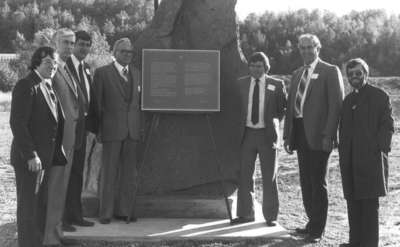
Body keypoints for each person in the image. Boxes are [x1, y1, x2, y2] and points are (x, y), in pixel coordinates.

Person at [283, 34, 344, 243]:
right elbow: (292, 107)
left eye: (310, 47)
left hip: (320, 136)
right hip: (299, 134)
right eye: (303, 47)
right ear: (299, 50)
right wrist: (287, 136)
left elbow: (336, 106)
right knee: (305, 181)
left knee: (318, 182)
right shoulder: (297, 73)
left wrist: (329, 135)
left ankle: (318, 230)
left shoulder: (329, 71)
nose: (306, 51)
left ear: (318, 48)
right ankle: (311, 223)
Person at [10, 46, 67, 247]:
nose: (52, 67)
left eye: (55, 63)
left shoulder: (47, 85)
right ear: (37, 63)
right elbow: (17, 123)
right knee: (28, 208)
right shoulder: (26, 85)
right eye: (47, 63)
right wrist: (31, 155)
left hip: (46, 159)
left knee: (39, 207)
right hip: (31, 161)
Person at [338, 58, 394, 247]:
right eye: (351, 74)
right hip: (350, 161)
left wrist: (378, 150)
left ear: (366, 74)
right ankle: (355, 242)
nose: (354, 77)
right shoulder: (347, 101)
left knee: (369, 207)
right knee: (353, 204)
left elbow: (387, 126)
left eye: (358, 73)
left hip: (371, 161)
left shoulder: (380, 96)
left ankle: (369, 244)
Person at [230, 52, 286, 226]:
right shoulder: (240, 84)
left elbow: (281, 109)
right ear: (249, 67)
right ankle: (246, 214)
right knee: (245, 176)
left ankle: (270, 217)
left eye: (259, 66)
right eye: (253, 66)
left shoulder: (276, 84)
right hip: (246, 134)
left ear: (266, 67)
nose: (256, 69)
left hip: (267, 136)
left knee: (270, 176)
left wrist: (272, 125)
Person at [92, 37, 142, 224]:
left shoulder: (137, 73)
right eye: (123, 51)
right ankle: (105, 213)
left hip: (132, 131)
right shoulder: (102, 73)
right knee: (109, 172)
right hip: (111, 130)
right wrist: (98, 130)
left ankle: (125, 211)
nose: (127, 55)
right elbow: (97, 105)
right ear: (114, 53)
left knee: (129, 174)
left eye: (130, 52)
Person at [43, 28, 84, 246]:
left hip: (69, 137)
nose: (69, 46)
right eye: (65, 42)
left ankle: (57, 233)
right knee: (55, 190)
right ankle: (50, 238)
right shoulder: (51, 66)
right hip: (57, 140)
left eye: (72, 42)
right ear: (55, 42)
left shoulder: (67, 66)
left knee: (62, 189)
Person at [64, 30, 95, 227]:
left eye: (87, 44)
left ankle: (75, 215)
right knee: (65, 175)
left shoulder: (86, 68)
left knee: (77, 174)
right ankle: (63, 218)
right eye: (80, 44)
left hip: (83, 130)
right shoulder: (65, 67)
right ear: (73, 45)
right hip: (68, 129)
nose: (83, 48)